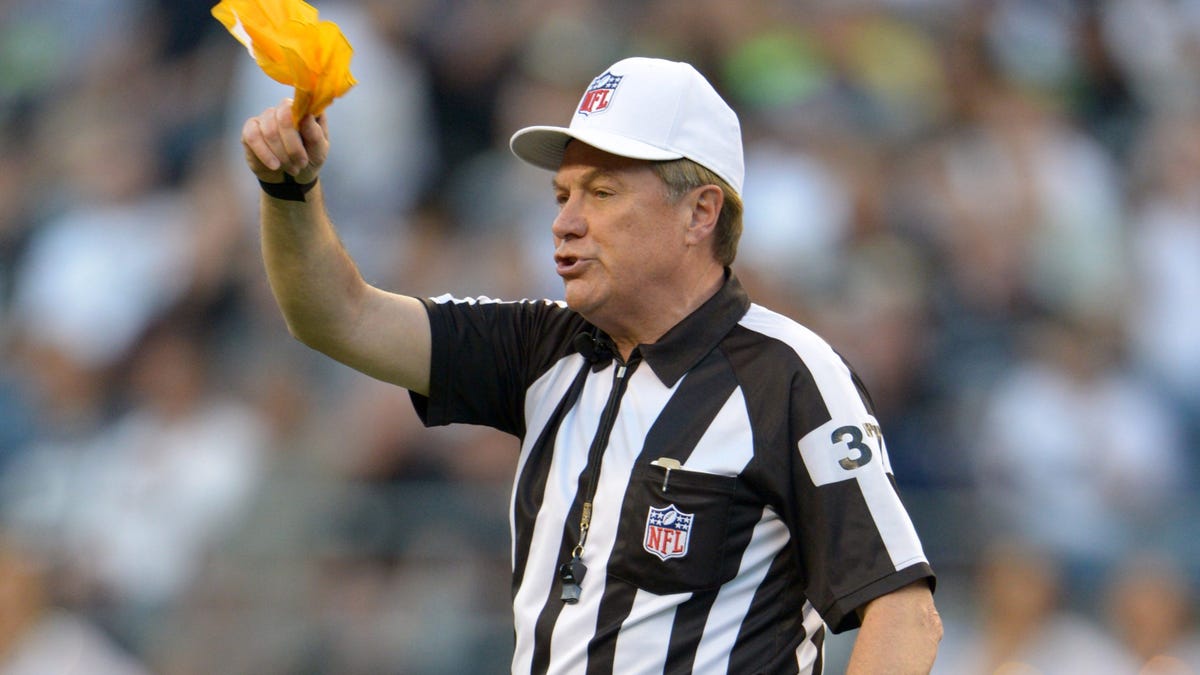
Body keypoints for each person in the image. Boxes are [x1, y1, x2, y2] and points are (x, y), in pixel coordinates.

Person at [241, 56, 941, 674]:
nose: (565, 221)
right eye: (562, 194)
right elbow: (337, 315)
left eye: (601, 193)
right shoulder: (543, 344)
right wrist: (290, 191)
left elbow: (903, 613)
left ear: (701, 212)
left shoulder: (791, 375)